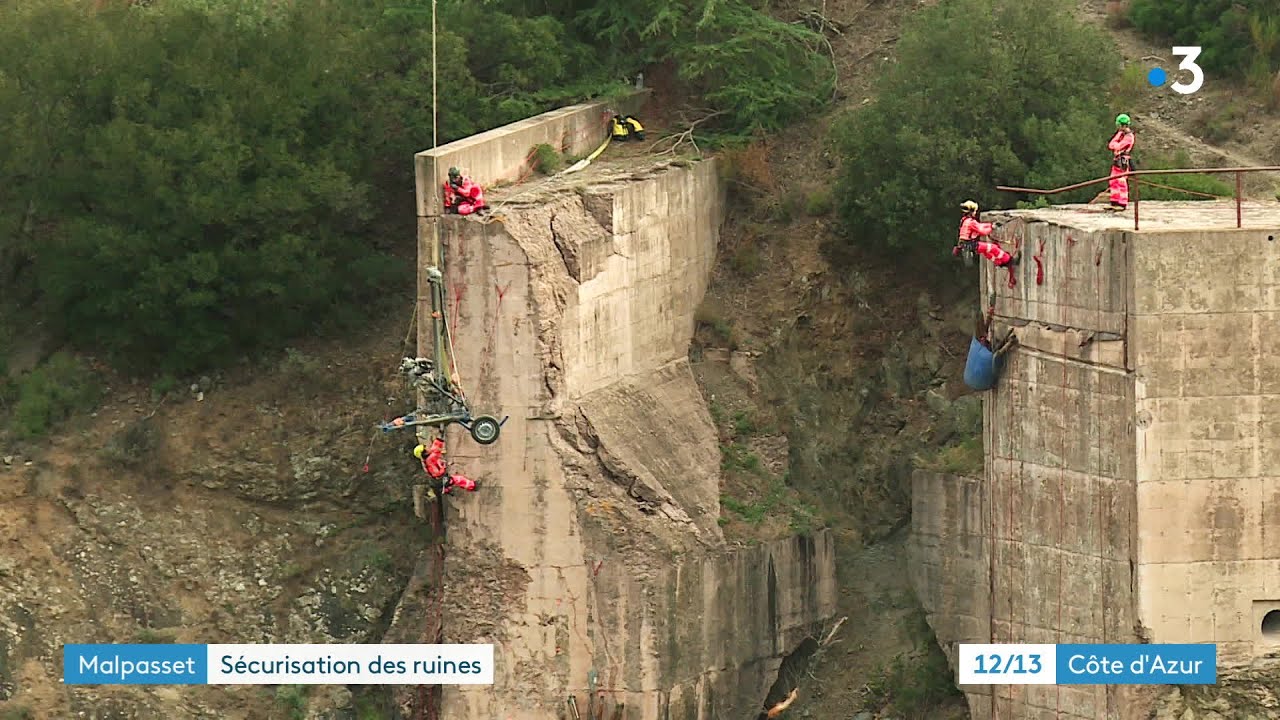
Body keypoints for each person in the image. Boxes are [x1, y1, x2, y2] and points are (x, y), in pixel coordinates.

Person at [954, 200, 1019, 268]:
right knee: (993, 248)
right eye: (975, 211)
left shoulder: (965, 220)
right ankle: (1010, 261)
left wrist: (990, 225)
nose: (975, 213)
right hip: (971, 245)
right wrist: (992, 228)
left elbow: (979, 225)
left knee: (986, 252)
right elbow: (983, 232)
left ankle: (999, 262)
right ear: (971, 212)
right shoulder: (971, 222)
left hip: (966, 245)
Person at [412, 438, 478, 495]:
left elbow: (435, 448)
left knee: (450, 481)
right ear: (425, 452)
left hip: (440, 478)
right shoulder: (430, 460)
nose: (428, 447)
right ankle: (473, 485)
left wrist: (438, 440)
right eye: (425, 448)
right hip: (440, 480)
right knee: (457, 479)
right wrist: (443, 467)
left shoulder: (430, 456)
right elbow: (436, 473)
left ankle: (446, 489)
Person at [1107, 114, 1134, 210]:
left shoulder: (1129, 136)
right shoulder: (1120, 134)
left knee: (1121, 181)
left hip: (1123, 161)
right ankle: (1115, 200)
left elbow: (1118, 146)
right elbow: (1111, 145)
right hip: (1117, 160)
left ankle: (1122, 202)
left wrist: (1116, 144)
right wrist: (1118, 136)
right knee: (1113, 180)